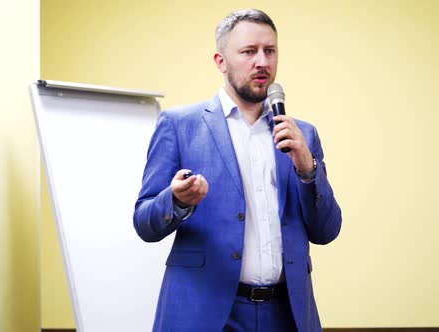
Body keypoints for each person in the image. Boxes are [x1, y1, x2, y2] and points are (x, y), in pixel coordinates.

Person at [133, 8, 342, 332]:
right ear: (221, 61)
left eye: (269, 51)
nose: (262, 62)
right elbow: (144, 223)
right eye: (248, 51)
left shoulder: (302, 135)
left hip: (287, 315)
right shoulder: (179, 126)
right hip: (206, 314)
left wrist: (307, 168)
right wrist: (177, 201)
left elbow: (326, 231)